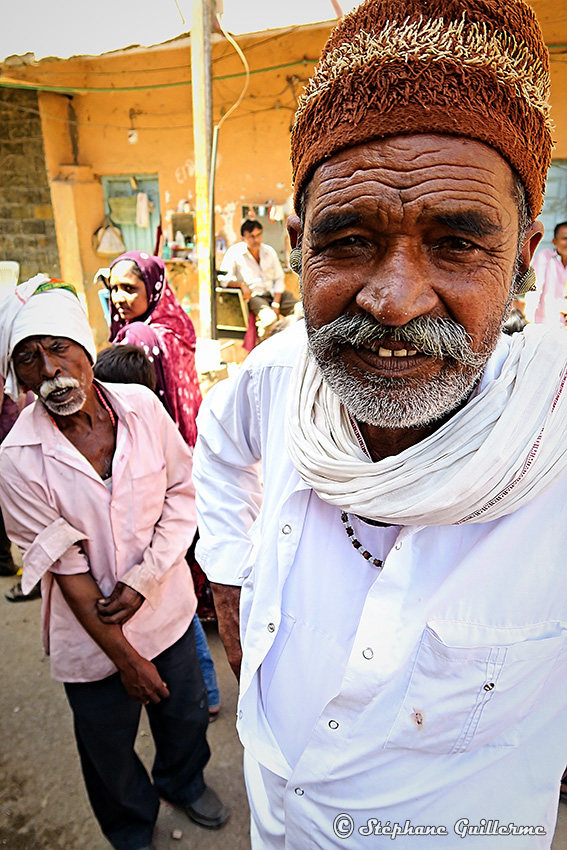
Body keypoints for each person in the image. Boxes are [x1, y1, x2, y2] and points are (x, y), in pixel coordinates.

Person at [192, 0, 567, 847]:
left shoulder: (556, 443)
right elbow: (217, 455)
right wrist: (229, 583)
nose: (393, 301)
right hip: (277, 814)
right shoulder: (281, 375)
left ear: (521, 259)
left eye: (457, 244)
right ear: (298, 246)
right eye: (349, 240)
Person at [0, 277, 229, 850]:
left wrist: (146, 576)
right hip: (92, 634)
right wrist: (126, 660)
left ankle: (183, 780)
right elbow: (67, 569)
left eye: (59, 349)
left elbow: (183, 492)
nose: (50, 371)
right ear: (18, 377)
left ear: (85, 349)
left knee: (185, 717)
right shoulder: (18, 459)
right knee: (106, 744)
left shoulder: (141, 408)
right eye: (29, 359)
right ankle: (130, 824)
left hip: (167, 611)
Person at [93, 343, 221, 720]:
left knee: (186, 630)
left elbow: (180, 495)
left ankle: (209, 694)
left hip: (166, 569)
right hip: (141, 572)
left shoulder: (156, 429)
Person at [104, 251, 215, 622]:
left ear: (150, 289)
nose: (119, 297)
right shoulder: (174, 324)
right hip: (185, 443)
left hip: (152, 450)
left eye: (129, 288)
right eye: (113, 288)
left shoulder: (138, 336)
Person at [219, 219, 298, 335]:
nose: (256, 240)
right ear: (243, 238)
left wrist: (276, 303)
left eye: (258, 235)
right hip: (255, 296)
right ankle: (264, 348)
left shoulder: (269, 251)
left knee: (302, 310)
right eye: (251, 236)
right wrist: (241, 284)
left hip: (274, 293)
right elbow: (223, 280)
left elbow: (279, 278)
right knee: (269, 320)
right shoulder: (234, 253)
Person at [524, 221, 567, 326]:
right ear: (554, 241)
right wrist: (529, 318)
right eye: (565, 239)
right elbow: (534, 290)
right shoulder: (544, 257)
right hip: (544, 325)